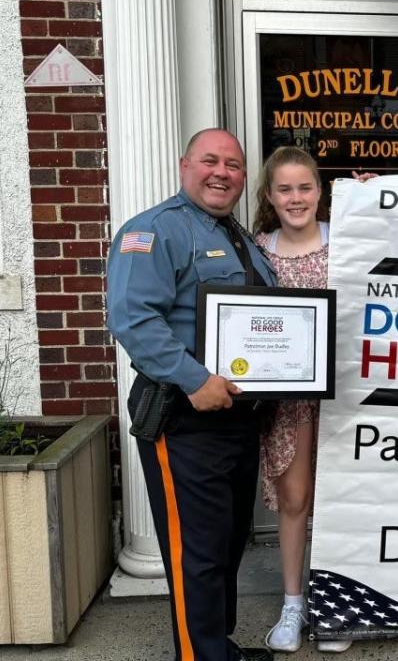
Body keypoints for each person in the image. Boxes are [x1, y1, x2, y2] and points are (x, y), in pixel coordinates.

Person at [107, 128, 277, 661]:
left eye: (233, 164)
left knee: (226, 544)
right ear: (186, 166)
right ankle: (200, 655)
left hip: (236, 417)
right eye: (210, 160)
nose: (221, 172)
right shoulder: (155, 231)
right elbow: (133, 317)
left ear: (244, 178)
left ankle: (216, 645)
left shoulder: (241, 239)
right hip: (184, 416)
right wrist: (195, 380)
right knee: (195, 551)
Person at [253, 147, 373, 654]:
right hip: (290, 401)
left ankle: (336, 604)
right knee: (297, 499)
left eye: (305, 187)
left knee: (343, 497)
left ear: (320, 192)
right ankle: (294, 602)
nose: (295, 197)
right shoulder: (256, 248)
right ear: (269, 195)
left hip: (348, 392)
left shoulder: (346, 239)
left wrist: (377, 204)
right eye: (285, 189)